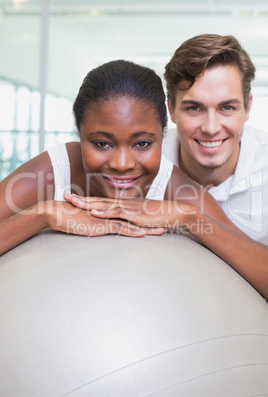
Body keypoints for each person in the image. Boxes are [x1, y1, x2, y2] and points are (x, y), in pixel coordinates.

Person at [0, 60, 267, 298]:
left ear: (163, 136)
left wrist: (189, 218)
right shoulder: (54, 170)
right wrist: (42, 215)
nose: (122, 165)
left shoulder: (177, 190)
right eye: (102, 144)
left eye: (141, 143)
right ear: (79, 136)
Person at [162, 33, 268, 246]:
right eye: (194, 108)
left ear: (248, 107)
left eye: (227, 107)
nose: (211, 128)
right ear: (171, 110)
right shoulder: (145, 160)